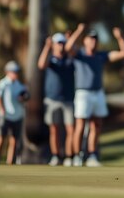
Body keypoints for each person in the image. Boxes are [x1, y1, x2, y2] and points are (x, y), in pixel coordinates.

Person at [65, 24, 124, 167]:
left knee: (96, 125)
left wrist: (120, 37)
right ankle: (77, 156)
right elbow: (68, 48)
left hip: (98, 93)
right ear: (85, 41)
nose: (93, 41)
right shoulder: (79, 54)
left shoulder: (101, 55)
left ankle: (92, 156)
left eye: (95, 39)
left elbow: (123, 53)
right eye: (90, 39)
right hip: (83, 93)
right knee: (80, 126)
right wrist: (78, 31)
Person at [38, 32, 75, 167]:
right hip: (52, 99)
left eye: (63, 43)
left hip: (68, 99)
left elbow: (73, 51)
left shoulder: (70, 58)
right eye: (58, 43)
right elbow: (41, 65)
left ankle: (69, 157)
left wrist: (71, 40)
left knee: (70, 129)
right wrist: (47, 47)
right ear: (54, 45)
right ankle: (56, 156)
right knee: (54, 129)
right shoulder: (51, 60)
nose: (61, 46)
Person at [0, 61, 28, 165]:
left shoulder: (20, 85)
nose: (15, 74)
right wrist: (1, 110)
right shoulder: (3, 83)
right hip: (5, 116)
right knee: (0, 140)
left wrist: (23, 98)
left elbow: (25, 97)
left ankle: (10, 164)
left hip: (17, 116)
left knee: (14, 141)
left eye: (16, 72)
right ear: (8, 72)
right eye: (14, 71)